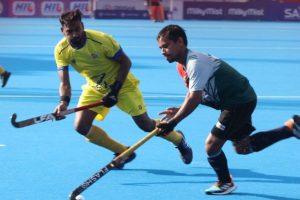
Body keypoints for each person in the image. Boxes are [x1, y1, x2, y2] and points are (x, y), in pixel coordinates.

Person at [156, 24, 300, 194]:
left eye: (166, 46)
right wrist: (179, 110)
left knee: (211, 145)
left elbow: (195, 98)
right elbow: (193, 94)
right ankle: (290, 129)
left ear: (180, 41)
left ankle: (225, 182)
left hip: (238, 101)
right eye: (160, 48)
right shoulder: (181, 66)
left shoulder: (194, 63)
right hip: (235, 101)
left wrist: (173, 122)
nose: (163, 51)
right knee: (242, 147)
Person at [53, 10, 193, 169]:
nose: (75, 34)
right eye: (69, 31)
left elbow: (125, 62)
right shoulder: (61, 50)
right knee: (81, 126)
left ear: (82, 26)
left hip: (123, 85)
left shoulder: (101, 40)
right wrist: (63, 103)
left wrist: (114, 90)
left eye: (77, 29)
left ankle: (178, 139)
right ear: (63, 31)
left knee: (145, 125)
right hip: (96, 87)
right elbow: (64, 83)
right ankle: (123, 152)